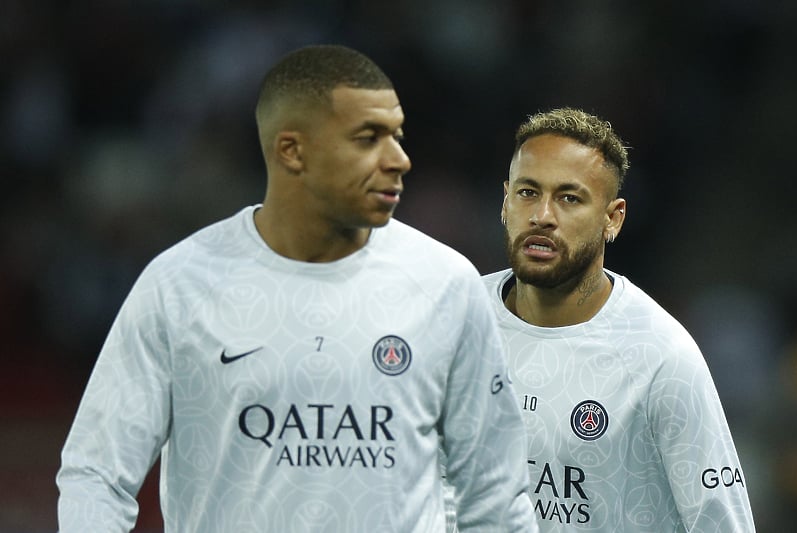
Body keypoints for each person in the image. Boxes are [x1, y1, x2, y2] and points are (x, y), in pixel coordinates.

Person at [56, 44, 537, 532]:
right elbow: (96, 475)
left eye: (397, 136)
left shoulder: (444, 284)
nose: (399, 160)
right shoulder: (182, 284)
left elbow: (495, 495)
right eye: (368, 138)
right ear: (292, 151)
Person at [484, 107, 756, 531]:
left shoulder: (660, 357)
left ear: (613, 219)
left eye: (569, 198)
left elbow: (721, 522)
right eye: (527, 192)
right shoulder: (456, 314)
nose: (542, 216)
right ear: (505, 200)